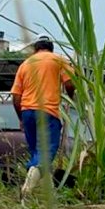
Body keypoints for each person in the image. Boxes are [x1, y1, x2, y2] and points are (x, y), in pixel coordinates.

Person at [11, 35, 75, 197]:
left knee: (36, 152)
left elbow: (16, 96)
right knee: (46, 154)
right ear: (51, 49)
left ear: (36, 49)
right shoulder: (58, 60)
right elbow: (69, 83)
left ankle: (45, 189)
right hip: (47, 112)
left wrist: (21, 119)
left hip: (27, 113)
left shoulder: (25, 64)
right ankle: (29, 188)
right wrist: (70, 97)